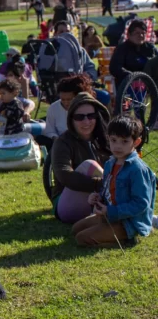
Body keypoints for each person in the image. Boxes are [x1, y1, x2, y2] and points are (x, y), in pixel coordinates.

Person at [73, 116, 156, 247]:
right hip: (110, 216)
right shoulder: (110, 163)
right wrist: (97, 197)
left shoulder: (137, 169)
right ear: (108, 138)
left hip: (128, 223)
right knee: (76, 229)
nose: (118, 146)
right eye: (114, 140)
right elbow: (108, 190)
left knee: (82, 238)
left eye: (124, 141)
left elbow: (141, 203)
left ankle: (127, 240)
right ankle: (107, 232)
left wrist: (111, 211)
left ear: (136, 142)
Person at [51, 93, 111, 223]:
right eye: (79, 117)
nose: (86, 121)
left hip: (97, 201)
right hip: (67, 205)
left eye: (91, 116)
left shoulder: (105, 139)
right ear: (71, 119)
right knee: (89, 165)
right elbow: (64, 175)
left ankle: (136, 214)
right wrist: (101, 183)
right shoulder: (63, 142)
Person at [40, 74, 94, 150]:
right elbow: (49, 130)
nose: (66, 102)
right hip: (61, 142)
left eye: (69, 99)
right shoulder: (53, 107)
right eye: (63, 99)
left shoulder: (87, 108)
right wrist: (56, 138)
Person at [109, 20, 158, 89]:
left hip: (151, 81)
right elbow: (115, 68)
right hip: (130, 83)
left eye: (143, 33)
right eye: (137, 33)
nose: (140, 35)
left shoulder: (151, 48)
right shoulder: (122, 49)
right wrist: (133, 76)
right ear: (129, 35)